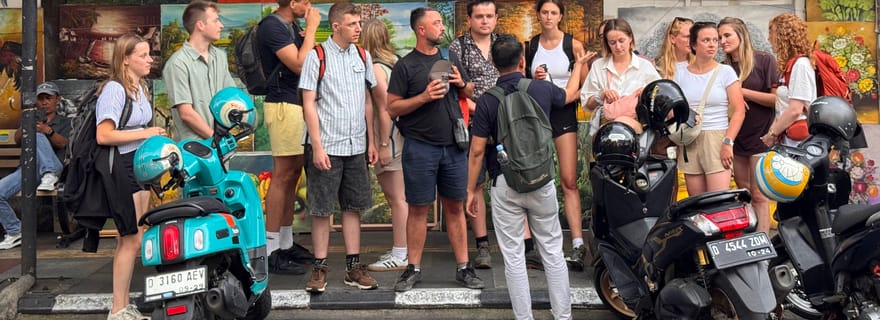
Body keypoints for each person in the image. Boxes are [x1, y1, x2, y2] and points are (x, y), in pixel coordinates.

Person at [469, 34, 587, 320]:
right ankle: (563, 316)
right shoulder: (541, 89)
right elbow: (570, 95)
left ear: (493, 63)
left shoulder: (487, 101)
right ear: (522, 61)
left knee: (513, 257)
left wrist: (471, 190)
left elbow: (477, 151)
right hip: (541, 180)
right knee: (553, 252)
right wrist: (578, 66)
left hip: (505, 183)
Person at [388, 7, 484, 292]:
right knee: (418, 209)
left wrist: (461, 83)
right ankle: (412, 269)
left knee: (455, 207)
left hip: (453, 147)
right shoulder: (405, 66)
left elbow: (469, 91)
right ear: (421, 29)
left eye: (441, 23)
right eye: (437, 23)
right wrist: (423, 97)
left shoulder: (449, 59)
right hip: (420, 147)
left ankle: (464, 268)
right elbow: (392, 107)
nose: (442, 27)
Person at [299, 2, 379, 293]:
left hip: (356, 143)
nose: (358, 28)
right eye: (352, 24)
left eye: (359, 23)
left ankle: (353, 268)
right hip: (327, 144)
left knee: (353, 207)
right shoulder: (316, 56)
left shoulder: (363, 55)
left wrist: (371, 140)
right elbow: (308, 103)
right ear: (336, 26)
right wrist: (317, 146)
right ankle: (319, 267)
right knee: (321, 209)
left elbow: (368, 101)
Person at [97, 33, 167, 320]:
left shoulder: (141, 88)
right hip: (122, 166)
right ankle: (118, 309)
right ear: (125, 59)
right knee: (130, 239)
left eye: (149, 54)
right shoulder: (114, 90)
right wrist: (146, 132)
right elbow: (104, 135)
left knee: (133, 237)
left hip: (139, 167)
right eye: (143, 55)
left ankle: (123, 305)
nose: (150, 59)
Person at [525, 0, 597, 272]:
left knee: (568, 179)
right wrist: (538, 80)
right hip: (538, 113)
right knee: (537, 179)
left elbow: (586, 86)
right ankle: (538, 244)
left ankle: (577, 243)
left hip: (564, 112)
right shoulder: (530, 46)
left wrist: (563, 96)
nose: (548, 17)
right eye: (544, 12)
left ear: (560, 17)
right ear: (538, 15)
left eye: (553, 13)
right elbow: (524, 82)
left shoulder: (573, 45)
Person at [258, 0, 321, 274]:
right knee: (283, 175)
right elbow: (298, 64)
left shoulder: (289, 25)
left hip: (294, 103)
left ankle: (285, 243)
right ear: (292, 3)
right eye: (305, 1)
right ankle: (271, 250)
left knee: (293, 173)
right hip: (283, 104)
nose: (309, 5)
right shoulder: (272, 26)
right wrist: (313, 29)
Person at [447, 0, 499, 270]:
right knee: (475, 184)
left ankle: (524, 245)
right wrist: (482, 110)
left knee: (510, 182)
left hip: (503, 123)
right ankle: (482, 245)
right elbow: (457, 89)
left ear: (496, 18)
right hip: (472, 122)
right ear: (469, 19)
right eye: (479, 16)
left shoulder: (504, 44)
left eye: (489, 16)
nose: (484, 21)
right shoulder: (458, 48)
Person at [673, 21, 745, 196]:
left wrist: (728, 142)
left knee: (717, 200)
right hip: (690, 137)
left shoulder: (725, 71)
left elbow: (739, 110)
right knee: (696, 201)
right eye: (706, 40)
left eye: (715, 40)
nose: (712, 44)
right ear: (693, 44)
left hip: (717, 137)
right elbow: (673, 107)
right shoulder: (680, 73)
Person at [719, 17, 777, 232]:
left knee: (760, 194)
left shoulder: (764, 60)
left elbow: (775, 99)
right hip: (735, 136)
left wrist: (741, 92)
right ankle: (749, 238)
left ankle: (763, 240)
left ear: (741, 35)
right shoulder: (723, 68)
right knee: (744, 191)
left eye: (727, 35)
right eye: (719, 37)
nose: (722, 41)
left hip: (760, 135)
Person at [361, 18, 410, 272]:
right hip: (396, 136)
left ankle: (401, 253)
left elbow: (384, 109)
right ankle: (402, 248)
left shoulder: (377, 69)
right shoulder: (395, 62)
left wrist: (382, 144)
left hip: (390, 138)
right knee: (397, 197)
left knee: (396, 197)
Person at [0, 81, 71, 250]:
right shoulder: (30, 117)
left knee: (38, 135)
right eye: (40, 98)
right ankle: (14, 230)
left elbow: (64, 144)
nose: (44, 102)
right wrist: (27, 124)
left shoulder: (65, 122)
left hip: (55, 168)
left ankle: (50, 173)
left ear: (57, 99)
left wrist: (47, 131)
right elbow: (18, 140)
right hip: (27, 170)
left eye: (48, 98)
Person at [164, 0, 236, 141]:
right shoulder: (178, 63)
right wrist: (215, 140)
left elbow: (230, 96)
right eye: (215, 21)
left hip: (221, 144)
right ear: (200, 25)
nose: (221, 25)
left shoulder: (220, 56)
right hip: (194, 149)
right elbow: (186, 114)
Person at [761, 13, 816, 148]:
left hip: (800, 144)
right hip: (790, 141)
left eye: (772, 33)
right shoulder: (791, 65)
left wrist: (772, 134)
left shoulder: (800, 65)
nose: (769, 38)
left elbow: (795, 109)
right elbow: (783, 107)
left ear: (783, 36)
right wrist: (773, 131)